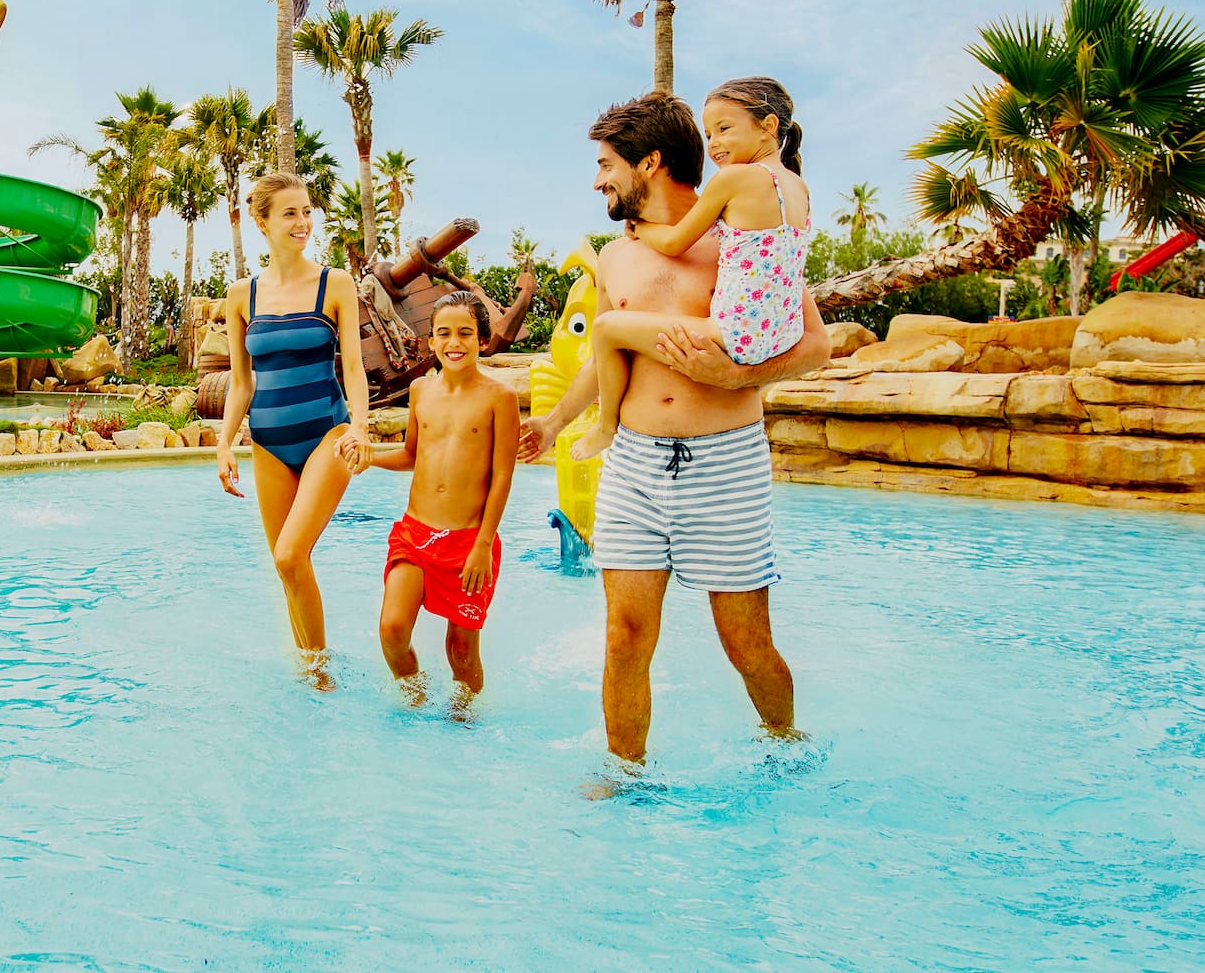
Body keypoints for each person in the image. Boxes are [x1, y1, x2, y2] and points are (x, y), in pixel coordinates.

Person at [518, 92, 831, 769]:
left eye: (606, 164)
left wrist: (739, 379)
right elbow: (609, 360)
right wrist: (554, 421)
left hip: (725, 462)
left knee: (745, 643)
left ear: (649, 161)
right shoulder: (615, 257)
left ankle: (785, 745)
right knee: (625, 634)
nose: (598, 180)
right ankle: (624, 775)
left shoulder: (744, 235)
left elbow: (815, 347)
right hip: (634, 462)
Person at [572, 78, 812, 463]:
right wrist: (552, 422)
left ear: (768, 126)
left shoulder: (732, 190)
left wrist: (641, 228)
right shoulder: (796, 189)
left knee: (605, 329)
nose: (714, 144)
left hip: (729, 434)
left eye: (724, 129)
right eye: (708, 133)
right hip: (775, 335)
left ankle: (605, 426)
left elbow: (674, 242)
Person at [215, 172, 373, 683]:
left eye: (306, 211)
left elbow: (353, 367)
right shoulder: (243, 295)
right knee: (286, 569)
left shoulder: (335, 284)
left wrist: (361, 429)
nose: (303, 222)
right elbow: (240, 383)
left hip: (328, 433)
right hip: (268, 444)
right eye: (289, 213)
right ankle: (310, 674)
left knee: (289, 553)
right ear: (261, 222)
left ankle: (321, 671)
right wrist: (223, 446)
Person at [372, 291, 518, 706]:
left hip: (468, 542)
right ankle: (415, 700)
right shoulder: (421, 390)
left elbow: (502, 476)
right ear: (430, 342)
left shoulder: (499, 398)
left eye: (465, 333)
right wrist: (370, 459)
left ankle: (463, 721)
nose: (455, 342)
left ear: (482, 341)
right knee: (392, 628)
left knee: (461, 649)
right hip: (415, 534)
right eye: (444, 334)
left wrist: (483, 545)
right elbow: (411, 456)